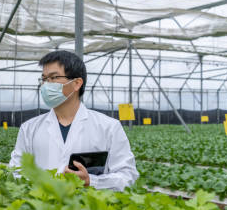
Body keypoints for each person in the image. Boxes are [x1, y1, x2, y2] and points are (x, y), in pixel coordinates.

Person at [8, 50, 139, 191]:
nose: (46, 85)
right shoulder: (29, 129)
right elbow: (15, 172)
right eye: (44, 79)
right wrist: (42, 185)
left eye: (54, 77)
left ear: (76, 83)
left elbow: (128, 176)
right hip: (43, 209)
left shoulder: (109, 127)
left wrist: (92, 181)